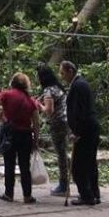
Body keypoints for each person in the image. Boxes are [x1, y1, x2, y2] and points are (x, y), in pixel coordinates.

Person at [0, 72, 41, 204]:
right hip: (26, 135)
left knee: (9, 164)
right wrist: (36, 140)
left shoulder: (7, 94)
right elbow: (36, 122)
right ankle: (27, 195)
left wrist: (2, 118)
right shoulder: (31, 100)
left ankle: (9, 194)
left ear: (13, 83)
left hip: (11, 134)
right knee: (24, 166)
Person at [60, 60, 100, 206]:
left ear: (70, 71)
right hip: (90, 127)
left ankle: (87, 195)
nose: (62, 76)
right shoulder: (82, 84)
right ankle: (94, 194)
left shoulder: (78, 86)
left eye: (63, 73)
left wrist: (76, 132)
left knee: (78, 166)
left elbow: (79, 111)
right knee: (90, 163)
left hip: (85, 129)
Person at [36, 64, 69, 196]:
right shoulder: (57, 88)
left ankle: (63, 184)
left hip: (57, 124)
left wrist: (39, 105)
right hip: (65, 122)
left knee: (61, 154)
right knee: (63, 152)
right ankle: (69, 179)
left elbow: (49, 111)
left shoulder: (48, 91)